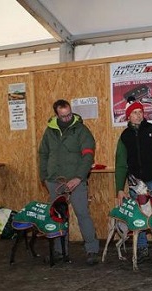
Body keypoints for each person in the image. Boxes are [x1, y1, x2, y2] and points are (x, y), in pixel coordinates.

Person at [115, 100, 152, 267]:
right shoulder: (124, 136)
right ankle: (142, 249)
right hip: (135, 185)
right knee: (138, 219)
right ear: (129, 116)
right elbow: (120, 164)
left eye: (140, 112)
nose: (138, 115)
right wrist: (119, 189)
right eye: (135, 112)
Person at [38, 99, 99, 265]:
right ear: (56, 114)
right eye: (63, 116)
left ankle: (92, 250)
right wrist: (44, 176)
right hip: (54, 180)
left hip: (76, 180)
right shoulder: (49, 131)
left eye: (69, 114)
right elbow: (43, 153)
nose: (67, 118)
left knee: (82, 214)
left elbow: (88, 155)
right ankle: (59, 251)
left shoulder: (81, 130)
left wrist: (79, 177)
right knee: (57, 217)